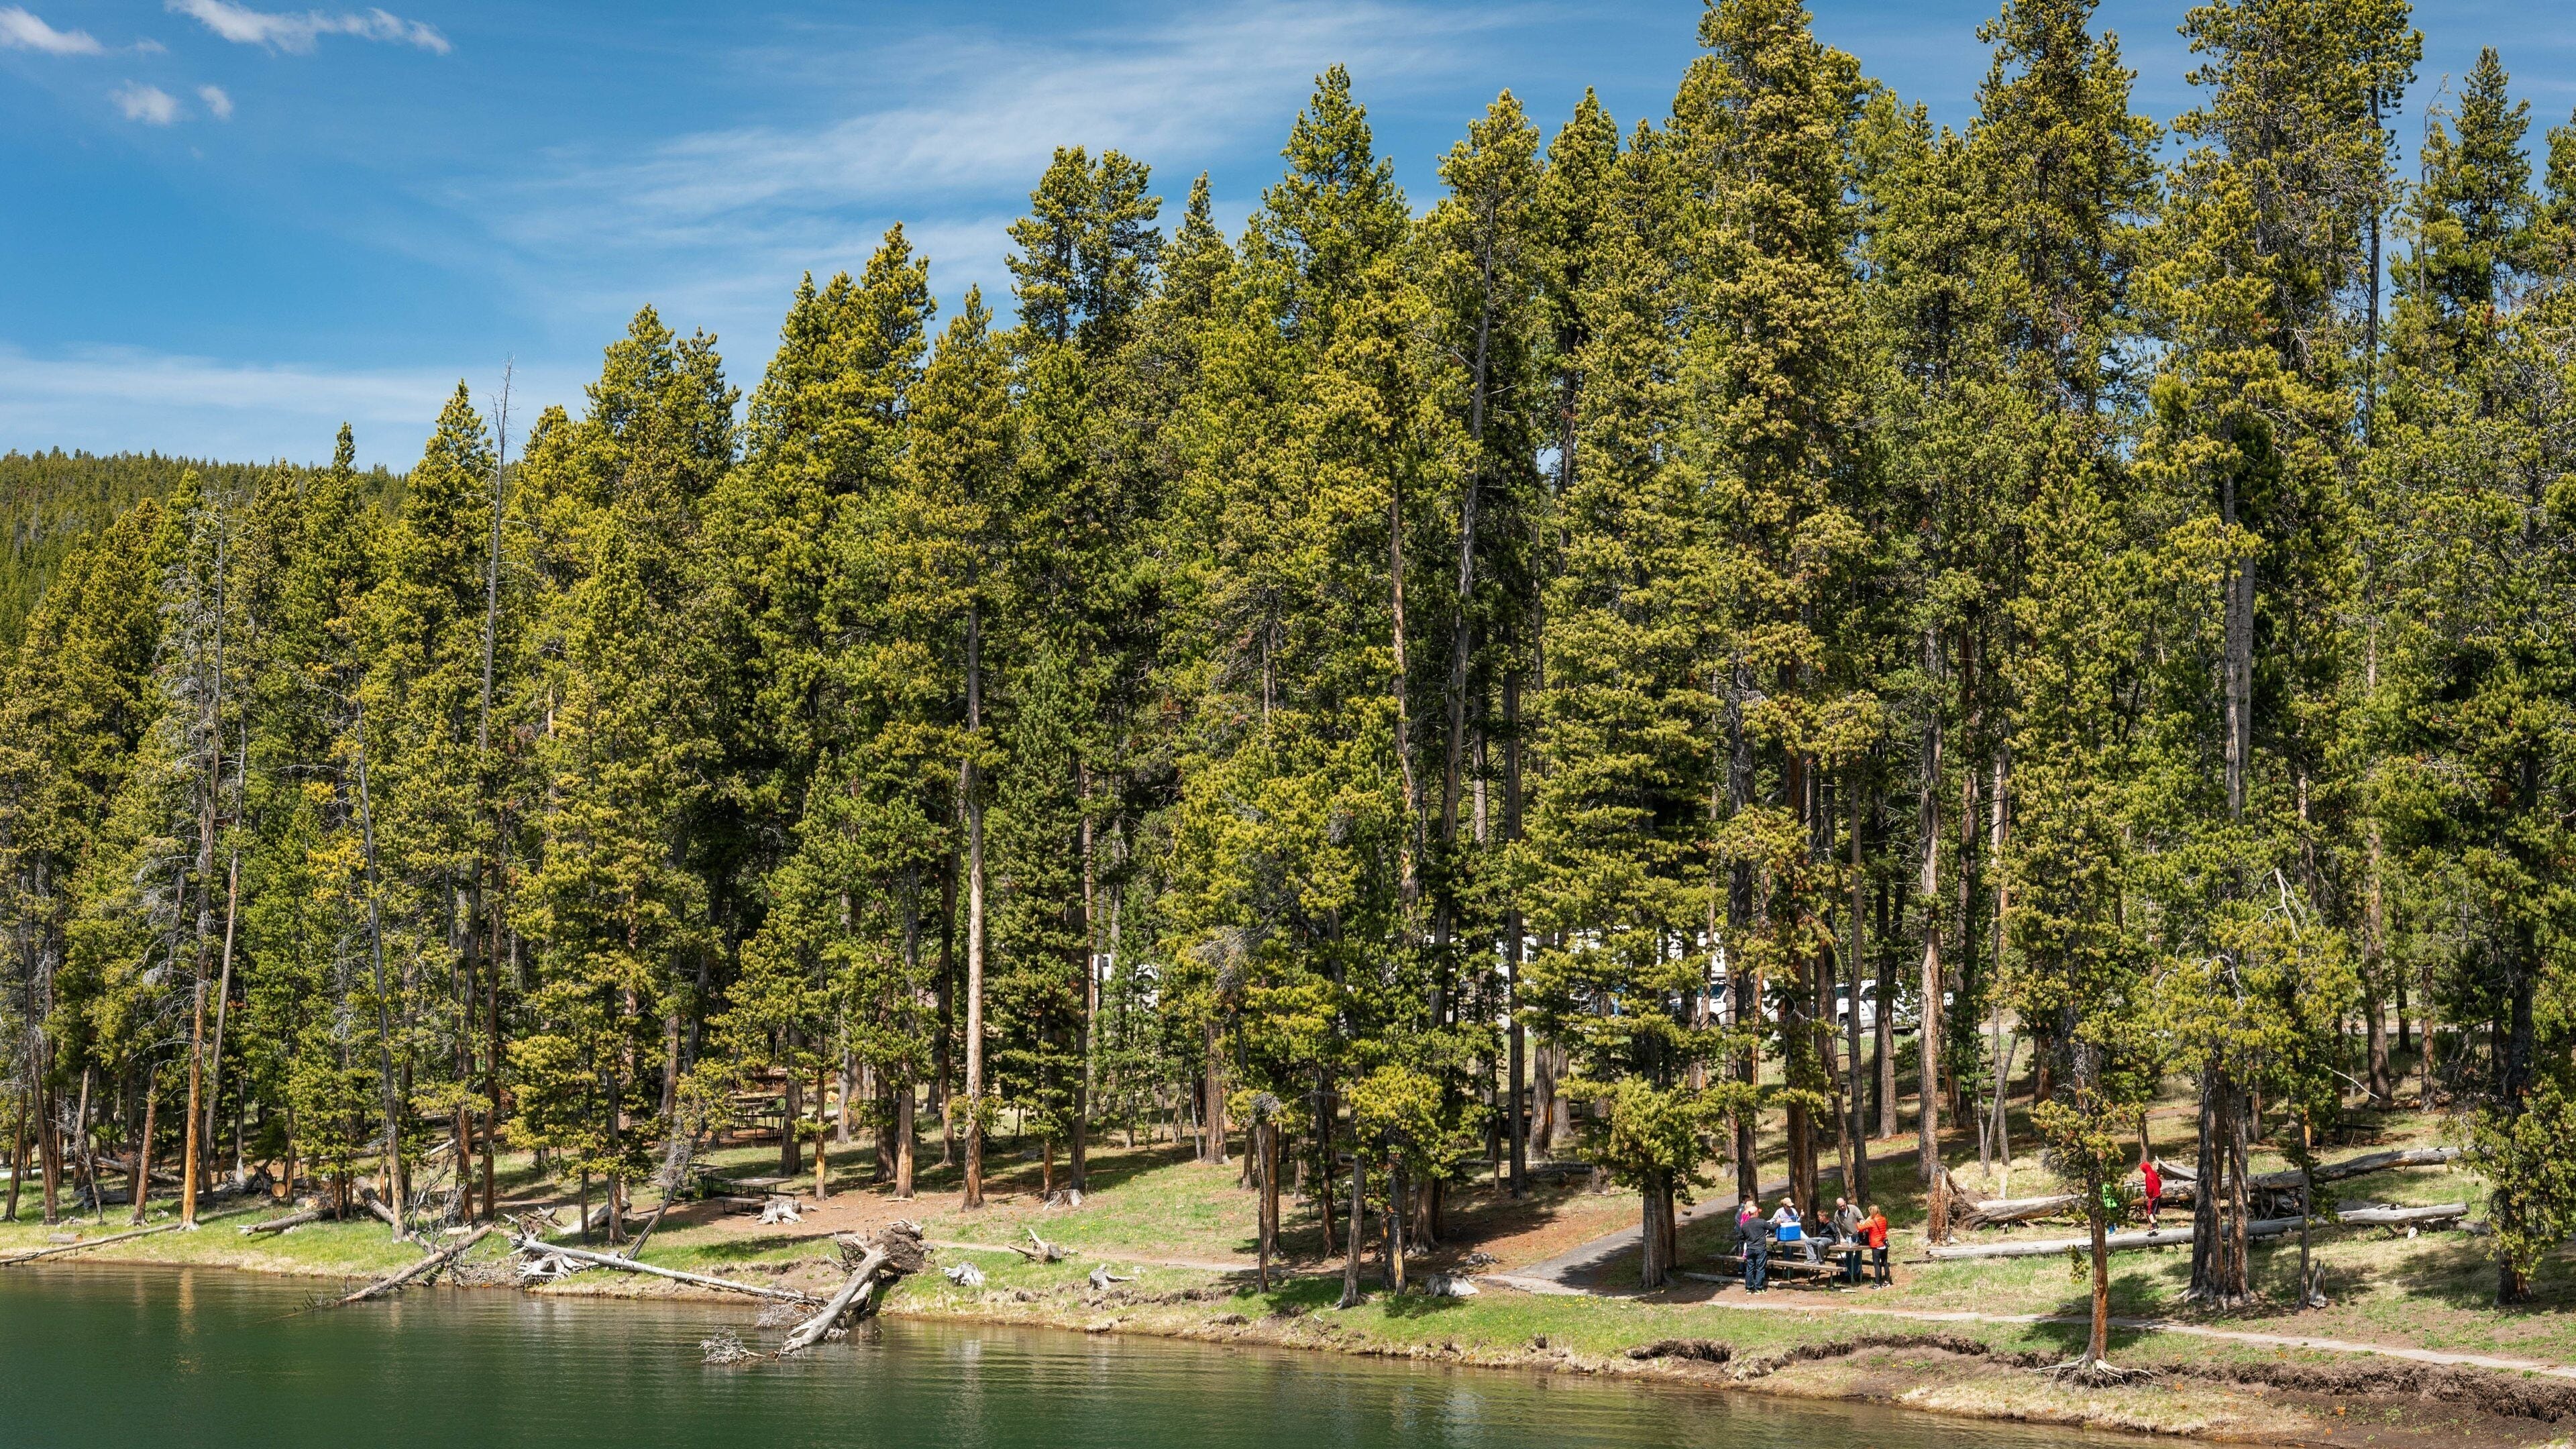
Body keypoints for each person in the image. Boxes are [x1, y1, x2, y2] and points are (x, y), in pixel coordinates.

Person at [1736, 1197, 1769, 1292]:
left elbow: (1741, 1236)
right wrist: (1778, 1224)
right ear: (1755, 1213)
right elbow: (1771, 1227)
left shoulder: (1745, 1224)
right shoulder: (1760, 1222)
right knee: (1760, 1268)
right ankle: (1759, 1288)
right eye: (1757, 1212)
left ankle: (1749, 1288)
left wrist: (1747, 1239)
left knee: (1750, 1268)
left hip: (1750, 1247)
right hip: (1759, 1248)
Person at [1772, 1197, 1816, 1263]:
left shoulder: (1794, 1210)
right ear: (1784, 1205)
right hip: (1786, 1232)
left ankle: (1812, 1258)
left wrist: (1801, 1217)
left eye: (1790, 1206)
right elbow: (1773, 1220)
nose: (1790, 1208)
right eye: (1788, 1206)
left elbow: (1797, 1221)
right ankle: (1787, 1264)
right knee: (1788, 1246)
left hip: (1795, 1230)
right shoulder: (1779, 1211)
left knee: (1808, 1240)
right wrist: (1778, 1222)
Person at [1833, 1197, 1865, 1284]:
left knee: (1858, 1254)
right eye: (1840, 1206)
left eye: (1843, 1205)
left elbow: (1862, 1219)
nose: (1842, 1207)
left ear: (1845, 1203)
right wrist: (1840, 1238)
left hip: (1858, 1234)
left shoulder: (1853, 1209)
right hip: (1849, 1236)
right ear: (1838, 1206)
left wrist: (1862, 1228)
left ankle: (1855, 1273)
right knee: (1848, 1255)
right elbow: (1837, 1228)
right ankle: (1848, 1275)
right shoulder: (1837, 1214)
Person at [1862, 1204, 1892, 1287]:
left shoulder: (1871, 1222)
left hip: (1876, 1246)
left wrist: (1865, 1220)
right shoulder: (1883, 1219)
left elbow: (1860, 1228)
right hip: (1884, 1244)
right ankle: (1887, 1281)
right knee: (1885, 1263)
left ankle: (1877, 1284)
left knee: (1877, 1265)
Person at [2140, 1158, 2163, 1228]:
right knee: (2153, 1212)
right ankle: (2155, 1225)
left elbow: (2150, 1188)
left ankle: (2154, 1226)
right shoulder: (2154, 1173)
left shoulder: (2148, 1175)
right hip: (2158, 1195)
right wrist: (2157, 1190)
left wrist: (2148, 1193)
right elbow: (2159, 1183)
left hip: (2153, 1196)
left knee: (2149, 1212)